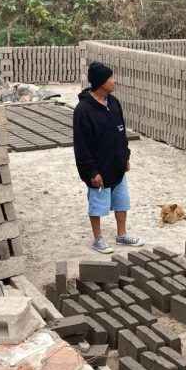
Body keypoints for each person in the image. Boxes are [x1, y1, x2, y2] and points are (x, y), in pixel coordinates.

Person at [73, 62, 144, 253]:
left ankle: (122, 235)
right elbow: (82, 146)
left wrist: (125, 156)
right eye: (112, 78)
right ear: (101, 82)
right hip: (99, 168)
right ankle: (98, 238)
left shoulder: (113, 103)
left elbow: (121, 132)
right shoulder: (83, 110)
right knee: (97, 204)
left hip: (117, 164)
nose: (115, 81)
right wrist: (91, 172)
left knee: (122, 201)